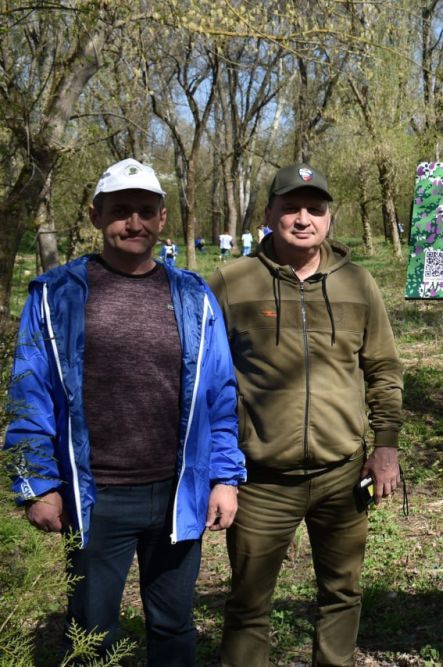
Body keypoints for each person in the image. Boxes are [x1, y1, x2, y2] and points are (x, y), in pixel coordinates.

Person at [3, 158, 246, 665]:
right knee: (92, 629)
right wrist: (36, 483)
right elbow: (30, 393)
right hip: (95, 496)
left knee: (174, 624)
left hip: (177, 491)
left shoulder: (193, 295)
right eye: (120, 211)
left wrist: (225, 477)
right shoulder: (56, 295)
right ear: (95, 216)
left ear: (162, 219)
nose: (133, 223)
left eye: (144, 211)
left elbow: (219, 395)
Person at [208, 162, 404, 666]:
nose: (302, 218)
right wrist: (217, 470)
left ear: (328, 217)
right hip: (260, 481)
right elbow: (206, 383)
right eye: (290, 207)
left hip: (342, 474)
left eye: (314, 209)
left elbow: (383, 369)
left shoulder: (358, 284)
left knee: (342, 594)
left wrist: (385, 448)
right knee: (249, 602)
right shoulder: (231, 283)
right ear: (269, 213)